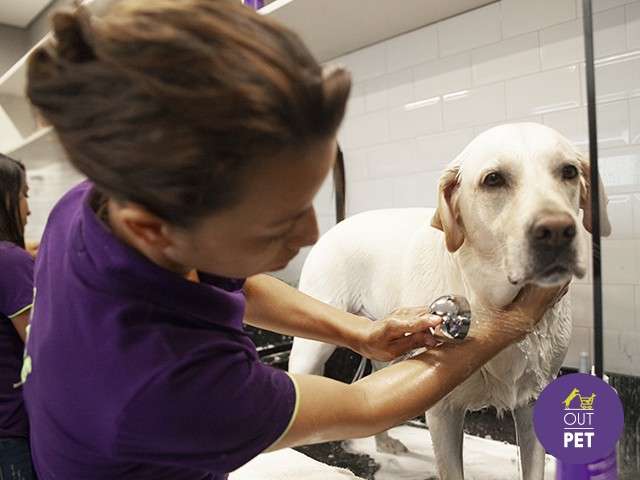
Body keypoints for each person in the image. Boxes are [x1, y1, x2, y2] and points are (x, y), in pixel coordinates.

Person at [22, 1, 565, 479]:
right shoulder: (170, 385)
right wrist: (508, 326)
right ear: (153, 227)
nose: (310, 234)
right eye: (275, 223)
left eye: (307, 200)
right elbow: (363, 405)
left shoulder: (98, 201)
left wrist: (361, 332)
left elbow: (225, 279)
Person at [0, 153, 36, 479]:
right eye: (24, 194)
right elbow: (43, 347)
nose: (28, 209)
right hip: (12, 434)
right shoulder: (9, 261)